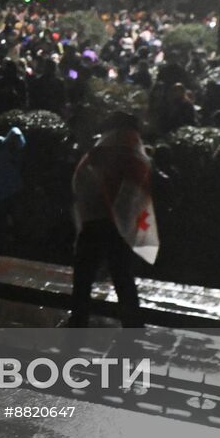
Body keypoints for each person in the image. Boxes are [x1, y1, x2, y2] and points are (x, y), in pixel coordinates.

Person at [68, 113, 157, 327]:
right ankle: (132, 323)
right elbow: (138, 192)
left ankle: (79, 319)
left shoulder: (100, 151)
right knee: (122, 276)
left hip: (94, 222)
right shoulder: (134, 154)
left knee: (84, 275)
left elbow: (82, 183)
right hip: (118, 227)